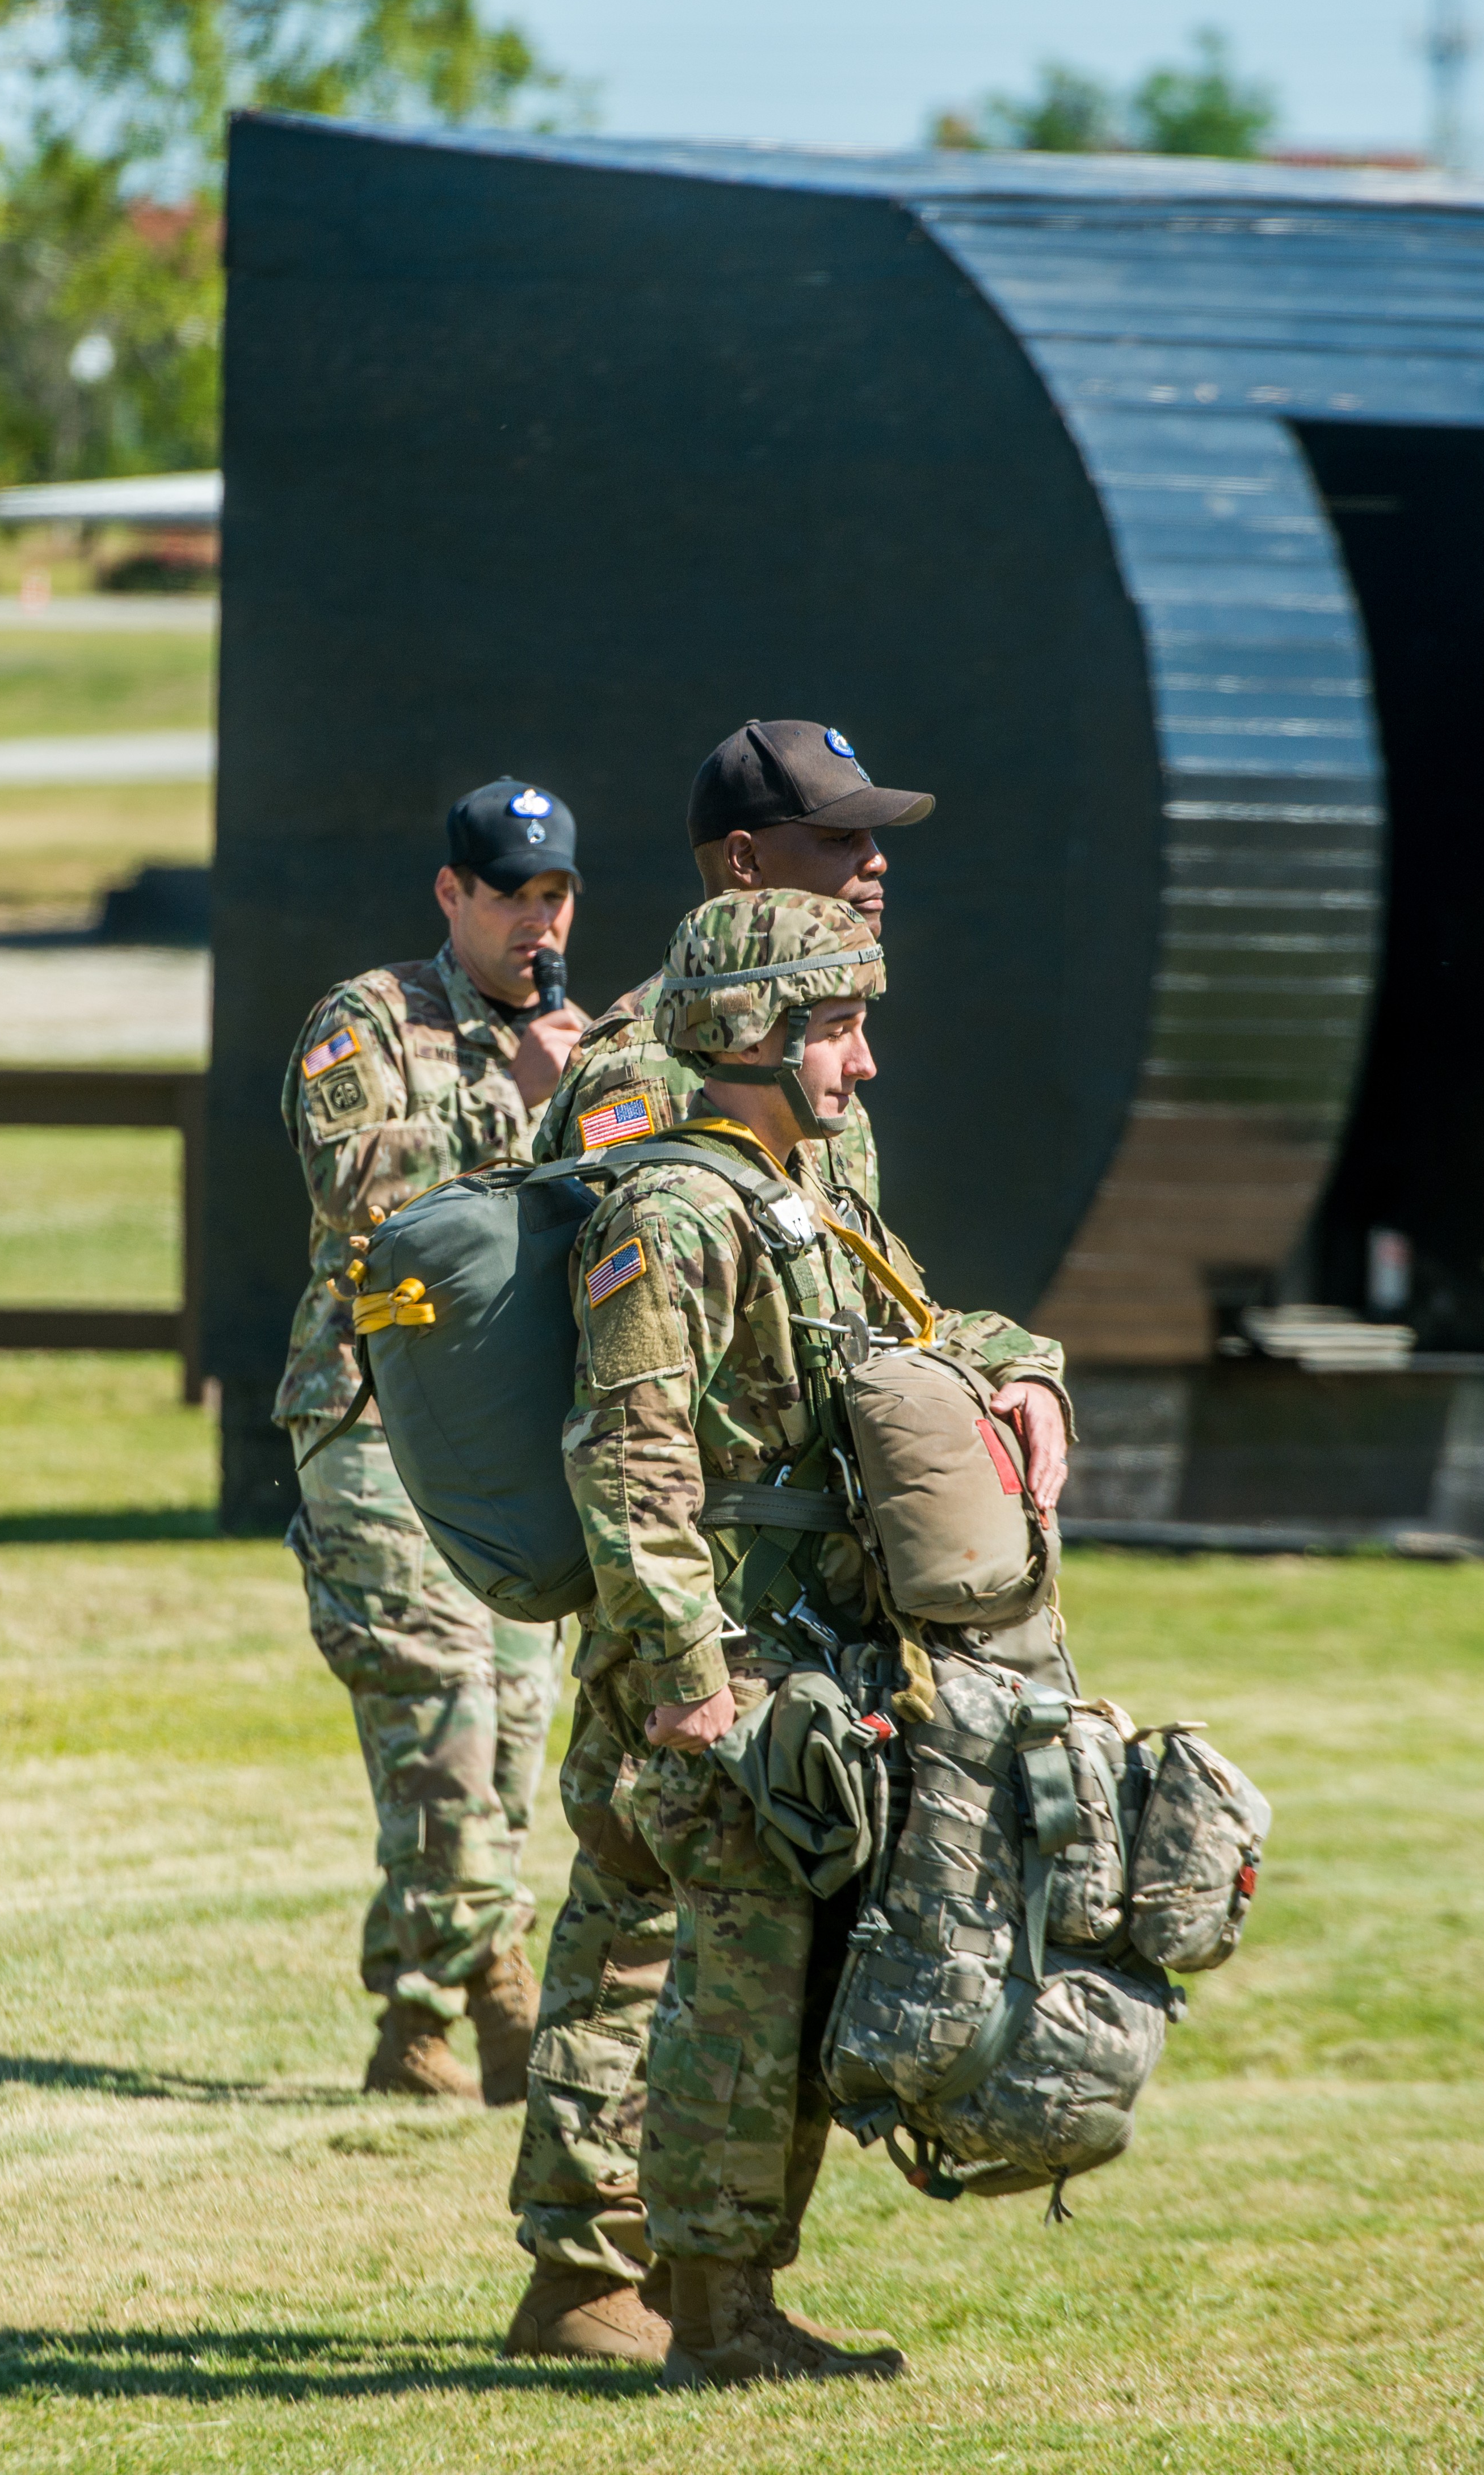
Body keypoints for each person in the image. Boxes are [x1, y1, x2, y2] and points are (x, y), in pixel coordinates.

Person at [511, 890, 1074, 2384]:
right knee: (743, 1986)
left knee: (795, 1974)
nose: (863, 1062)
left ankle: (731, 2291)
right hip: (719, 1671)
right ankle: (715, 2310)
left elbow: (917, 1325)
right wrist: (691, 1688)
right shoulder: (675, 1211)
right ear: (754, 1031)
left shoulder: (794, 1193)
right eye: (835, 1027)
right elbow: (627, 1459)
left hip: (801, 1660)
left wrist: (1029, 1375)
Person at [501, 722, 936, 2360]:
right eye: (839, 846)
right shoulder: (651, 1082)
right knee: (652, 1923)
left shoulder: (815, 1069)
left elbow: (863, 1287)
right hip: (682, 1593)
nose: (872, 866)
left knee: (722, 1931)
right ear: (746, 873)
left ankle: (669, 2270)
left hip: (790, 1593)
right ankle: (601, 2266)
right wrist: (678, 1637)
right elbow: (639, 1386)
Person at [271, 777, 593, 2099]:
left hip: (509, 1430)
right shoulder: (370, 1018)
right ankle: (503, 1987)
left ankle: (413, 2016)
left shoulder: (583, 1035)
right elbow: (345, 1180)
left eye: (554, 894)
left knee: (512, 1726)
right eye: (508, 893)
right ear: (450, 895)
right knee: (441, 1707)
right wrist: (503, 1097)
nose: (534, 919)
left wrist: (586, 1093)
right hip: (370, 1408)